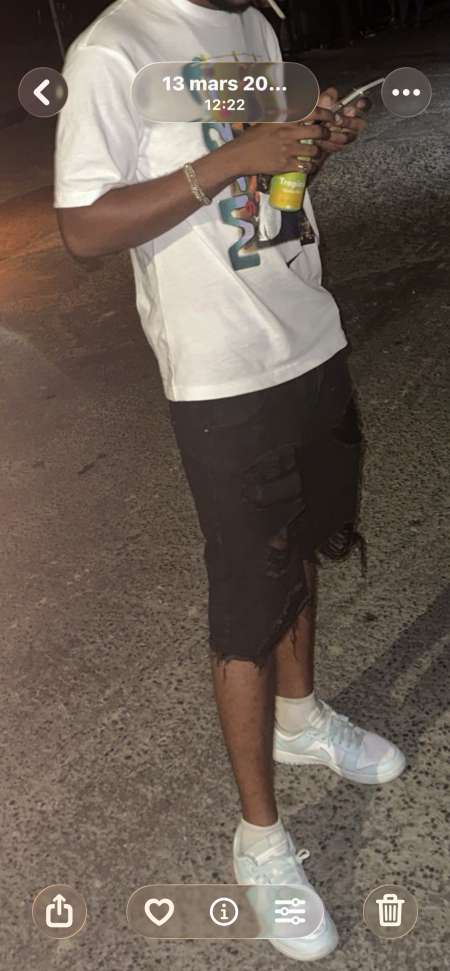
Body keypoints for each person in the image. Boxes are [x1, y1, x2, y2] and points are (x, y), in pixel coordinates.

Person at [54, 0, 406, 961]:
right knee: (248, 600)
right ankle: (260, 838)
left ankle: (302, 717)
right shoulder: (115, 50)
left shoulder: (253, 29)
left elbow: (267, 179)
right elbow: (82, 229)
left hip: (308, 332)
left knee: (305, 546)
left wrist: (308, 147)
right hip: (221, 375)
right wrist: (231, 159)